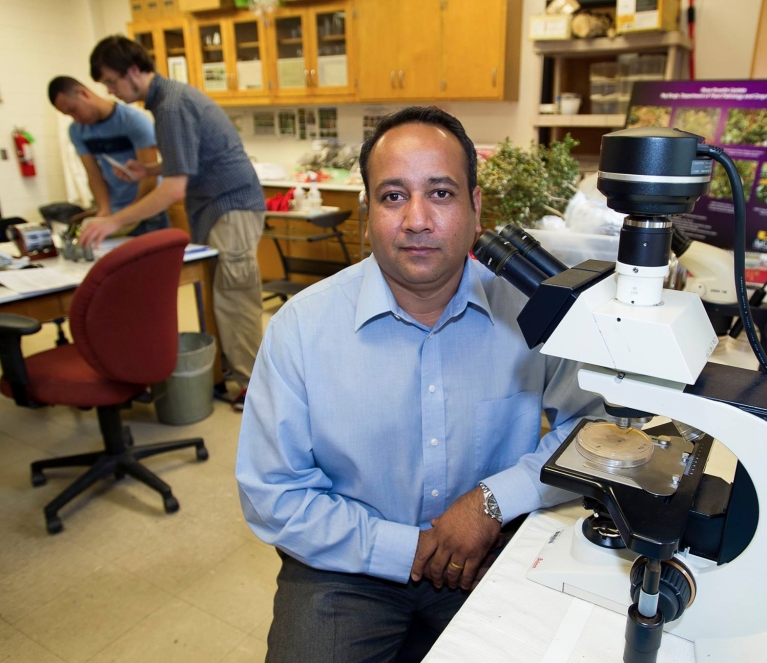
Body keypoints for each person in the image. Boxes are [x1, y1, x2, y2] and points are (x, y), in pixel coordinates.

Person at [236, 107, 602, 662]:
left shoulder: (531, 312)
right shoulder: (300, 329)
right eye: (393, 196)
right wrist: (408, 548)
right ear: (367, 214)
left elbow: (593, 430)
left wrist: (494, 500)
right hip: (345, 563)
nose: (417, 219)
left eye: (441, 193)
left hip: (490, 543)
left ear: (476, 207)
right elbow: (274, 493)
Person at [82, 36, 267, 408]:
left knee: (235, 300)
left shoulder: (170, 106)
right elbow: (188, 159)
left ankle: (256, 388)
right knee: (222, 298)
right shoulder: (168, 100)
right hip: (219, 209)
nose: (111, 91)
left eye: (112, 81)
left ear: (134, 71)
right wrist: (148, 169)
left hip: (230, 208)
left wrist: (113, 221)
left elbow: (173, 189)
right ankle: (230, 373)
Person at [48, 76, 169, 236]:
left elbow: (149, 176)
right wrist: (104, 209)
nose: (75, 118)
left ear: (83, 93)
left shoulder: (133, 120)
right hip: (116, 211)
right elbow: (94, 174)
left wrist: (129, 215)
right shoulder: (77, 131)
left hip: (147, 210)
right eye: (68, 115)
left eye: (73, 110)